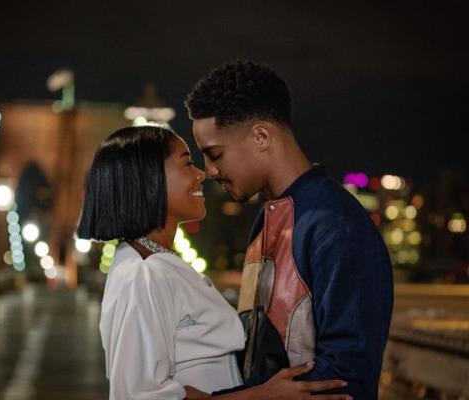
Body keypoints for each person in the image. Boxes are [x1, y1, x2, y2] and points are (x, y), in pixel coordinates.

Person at [77, 125, 352, 399]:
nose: (202, 175)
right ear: (149, 178)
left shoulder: (154, 264)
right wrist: (262, 396)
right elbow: (140, 395)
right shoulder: (143, 273)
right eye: (187, 164)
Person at [184, 60, 393, 399]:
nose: (209, 170)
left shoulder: (335, 225)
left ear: (261, 136)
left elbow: (346, 378)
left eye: (215, 154)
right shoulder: (266, 221)